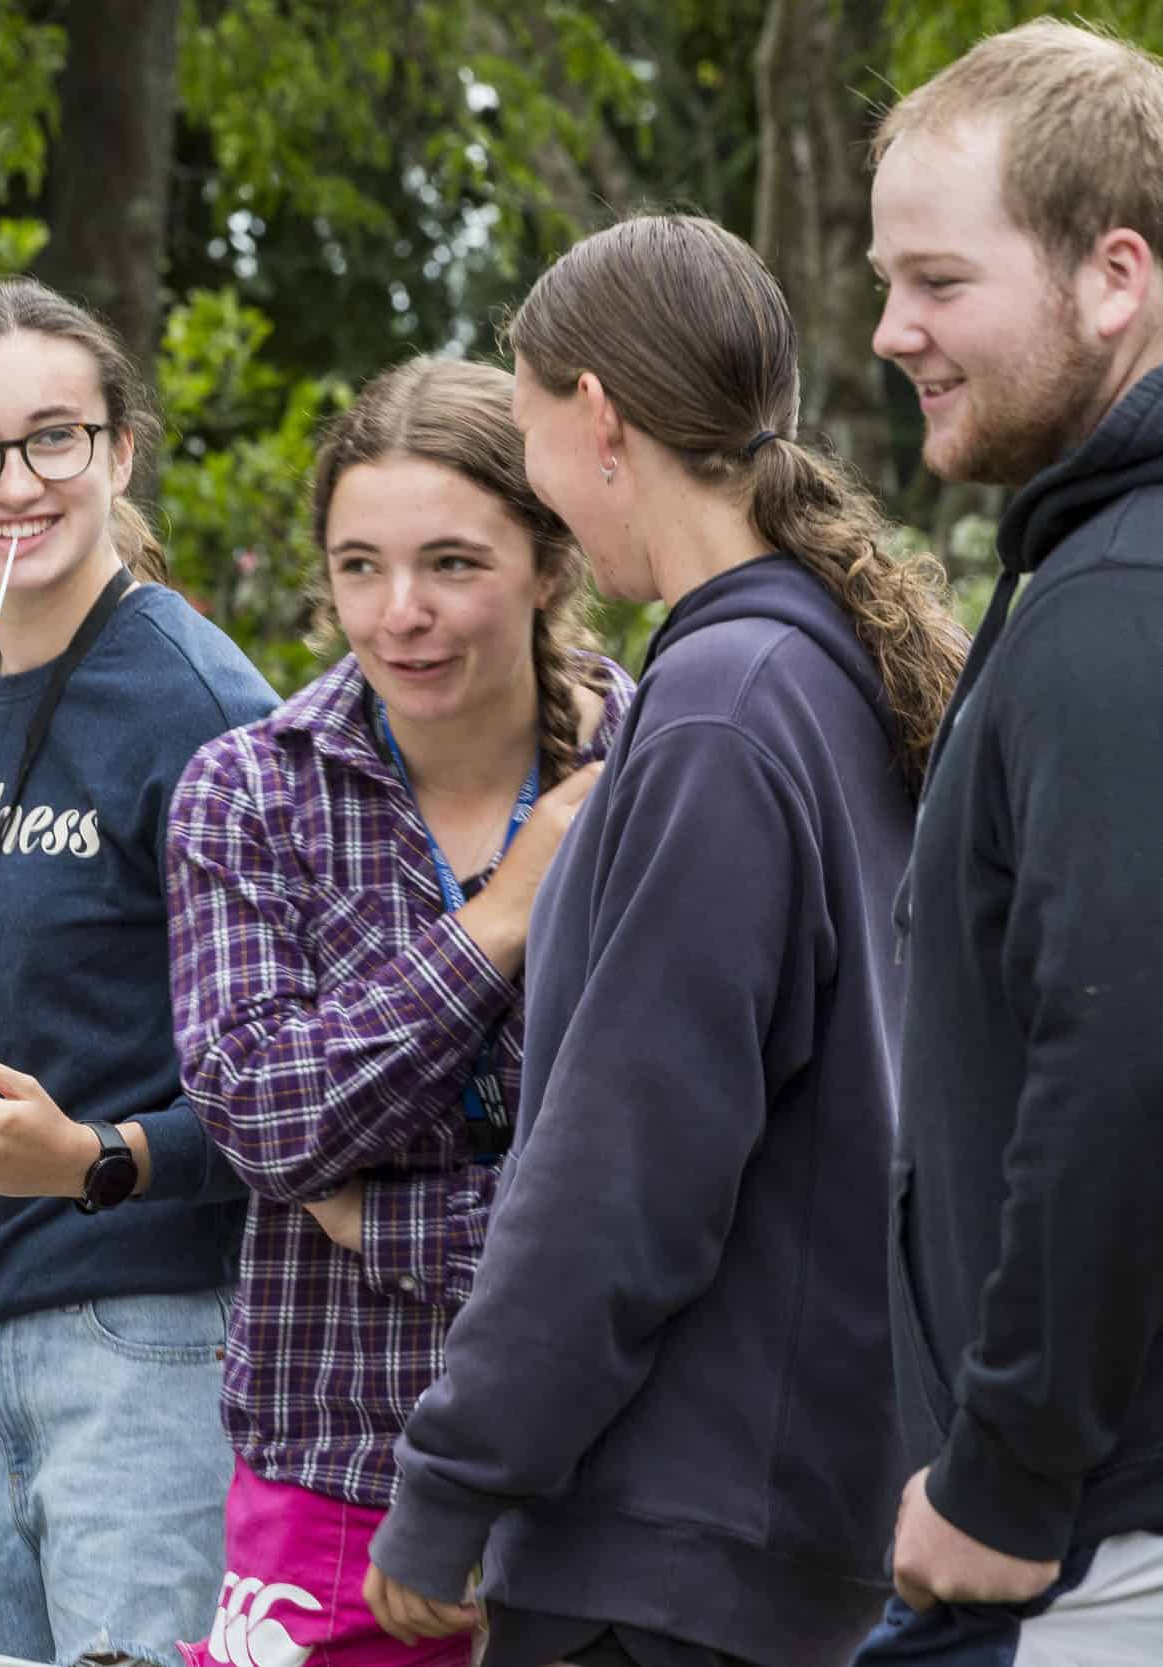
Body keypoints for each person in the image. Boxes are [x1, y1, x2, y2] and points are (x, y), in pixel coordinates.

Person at [363, 216, 967, 1667]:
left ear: (600, 416)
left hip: (671, 1551)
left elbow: (631, 1158)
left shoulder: (723, 707)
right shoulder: (815, 667)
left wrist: (454, 1477)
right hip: (778, 1516)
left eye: (525, 429)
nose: (542, 488)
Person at [167, 356, 633, 1667]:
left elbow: (686, 1175)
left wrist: (389, 1216)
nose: (401, 612)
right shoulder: (251, 792)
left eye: (451, 562)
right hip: (337, 1471)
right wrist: (496, 920)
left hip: (614, 1475)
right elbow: (266, 1118)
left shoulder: (661, 763)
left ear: (548, 559)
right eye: (359, 564)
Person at [0, 276, 279, 1666]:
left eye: (55, 437)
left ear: (118, 448)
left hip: (145, 1334)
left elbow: (312, 1093)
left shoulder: (210, 710)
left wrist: (96, 1154)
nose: (15, 482)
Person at [858, 20, 1163, 1659]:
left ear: (1114, 277)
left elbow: (1122, 1054)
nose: (896, 329)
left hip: (1091, 1554)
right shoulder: (1099, 566)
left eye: (940, 281)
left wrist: (1003, 1474)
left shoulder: (1122, 598)